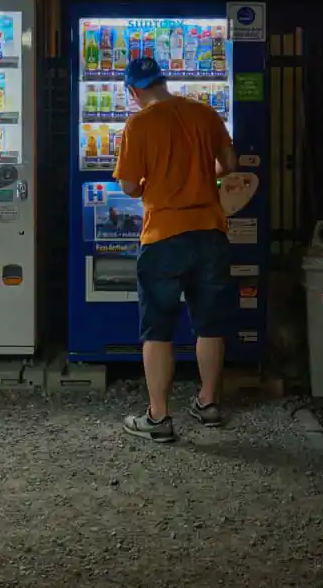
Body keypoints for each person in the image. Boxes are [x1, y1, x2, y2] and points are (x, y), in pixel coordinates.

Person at [112, 56, 239, 442]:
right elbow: (229, 164)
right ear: (163, 81)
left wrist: (150, 184)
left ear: (134, 91)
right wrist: (205, 177)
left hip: (164, 235)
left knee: (158, 328)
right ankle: (209, 403)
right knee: (210, 324)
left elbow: (129, 186)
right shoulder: (204, 113)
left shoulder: (139, 123)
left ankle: (159, 418)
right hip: (210, 232)